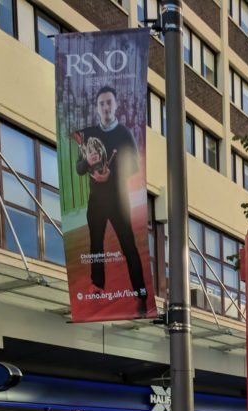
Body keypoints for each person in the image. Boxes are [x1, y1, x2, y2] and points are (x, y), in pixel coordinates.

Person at [73, 85, 148, 312]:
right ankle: (98, 285)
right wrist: (88, 162)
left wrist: (111, 173)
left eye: (109, 103)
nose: (105, 107)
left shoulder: (124, 133)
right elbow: (78, 167)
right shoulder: (89, 135)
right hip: (96, 201)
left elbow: (135, 164)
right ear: (97, 108)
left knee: (129, 246)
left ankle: (140, 293)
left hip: (118, 200)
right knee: (95, 245)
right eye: (102, 103)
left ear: (115, 105)